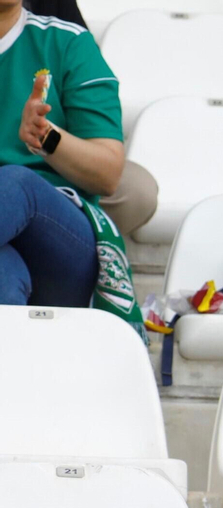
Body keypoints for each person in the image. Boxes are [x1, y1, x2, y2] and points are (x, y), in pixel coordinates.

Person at [0, 0, 124, 307]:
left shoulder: (68, 42)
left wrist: (48, 139)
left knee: (16, 182)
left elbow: (108, 175)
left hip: (62, 243)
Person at [20, 0, 156, 237]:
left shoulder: (66, 34)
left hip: (52, 165)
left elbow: (84, 85)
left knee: (135, 189)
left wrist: (45, 135)